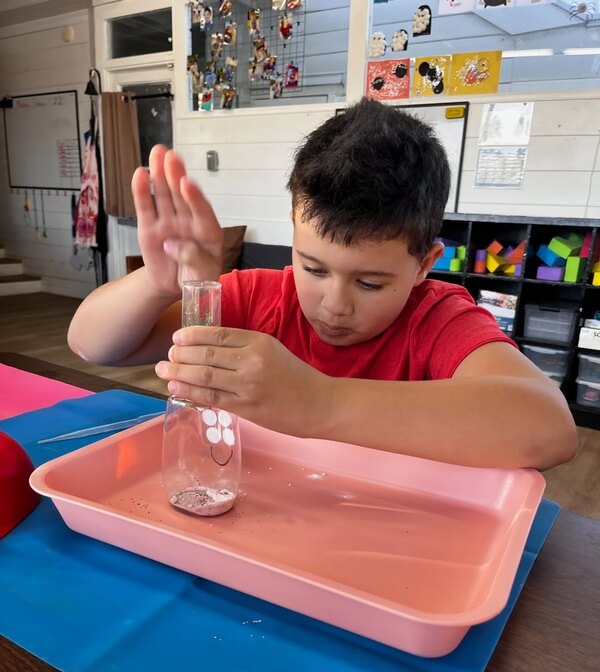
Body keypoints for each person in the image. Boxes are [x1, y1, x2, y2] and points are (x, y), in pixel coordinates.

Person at [68, 98, 576, 469]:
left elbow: (549, 428)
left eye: (371, 283)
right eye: (313, 268)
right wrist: (159, 285)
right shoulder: (256, 298)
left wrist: (322, 403)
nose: (334, 305)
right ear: (292, 226)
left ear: (424, 266)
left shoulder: (437, 320)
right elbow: (92, 344)